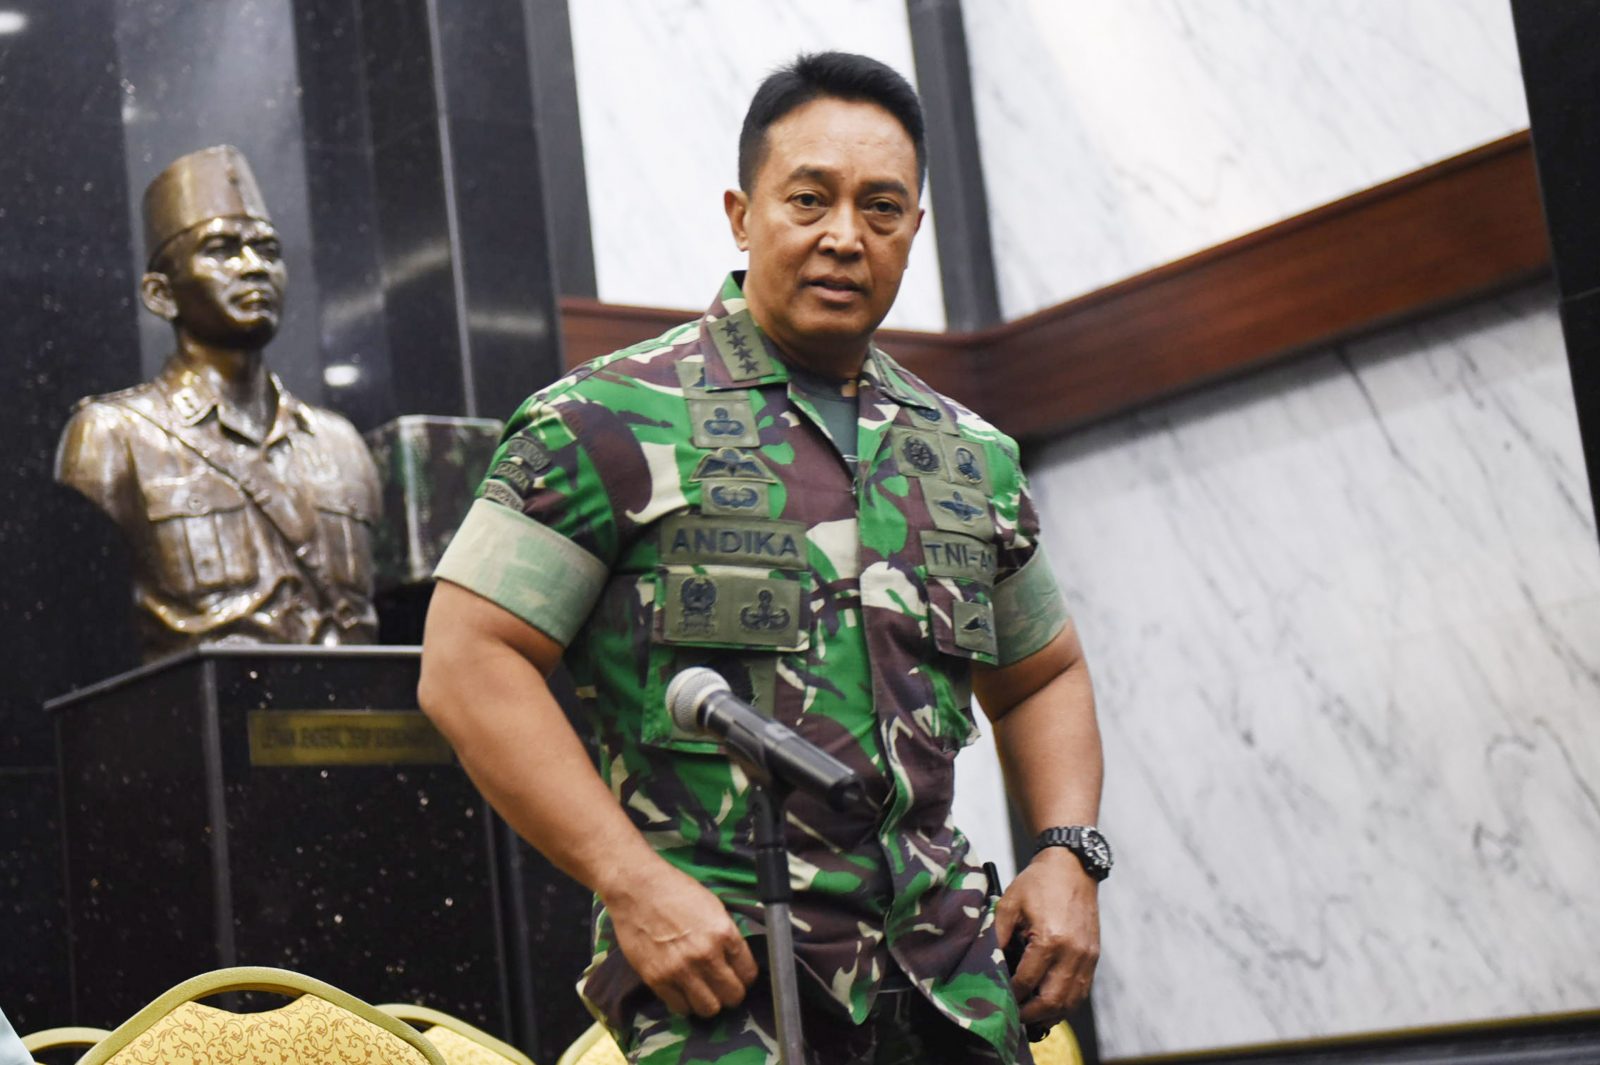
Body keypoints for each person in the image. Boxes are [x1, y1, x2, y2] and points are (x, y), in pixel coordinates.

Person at [419, 52, 1107, 1065]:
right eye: (809, 199)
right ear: (742, 216)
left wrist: (1066, 851)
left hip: (949, 991)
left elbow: (1043, 672)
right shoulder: (603, 420)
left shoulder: (970, 454)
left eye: (881, 207)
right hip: (728, 988)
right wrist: (631, 883)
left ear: (914, 229)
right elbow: (467, 662)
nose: (844, 235)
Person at [56, 145, 380, 661]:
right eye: (223, 250)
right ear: (161, 295)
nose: (254, 267)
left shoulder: (341, 444)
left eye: (268, 251)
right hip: (201, 705)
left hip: (354, 708)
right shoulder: (111, 436)